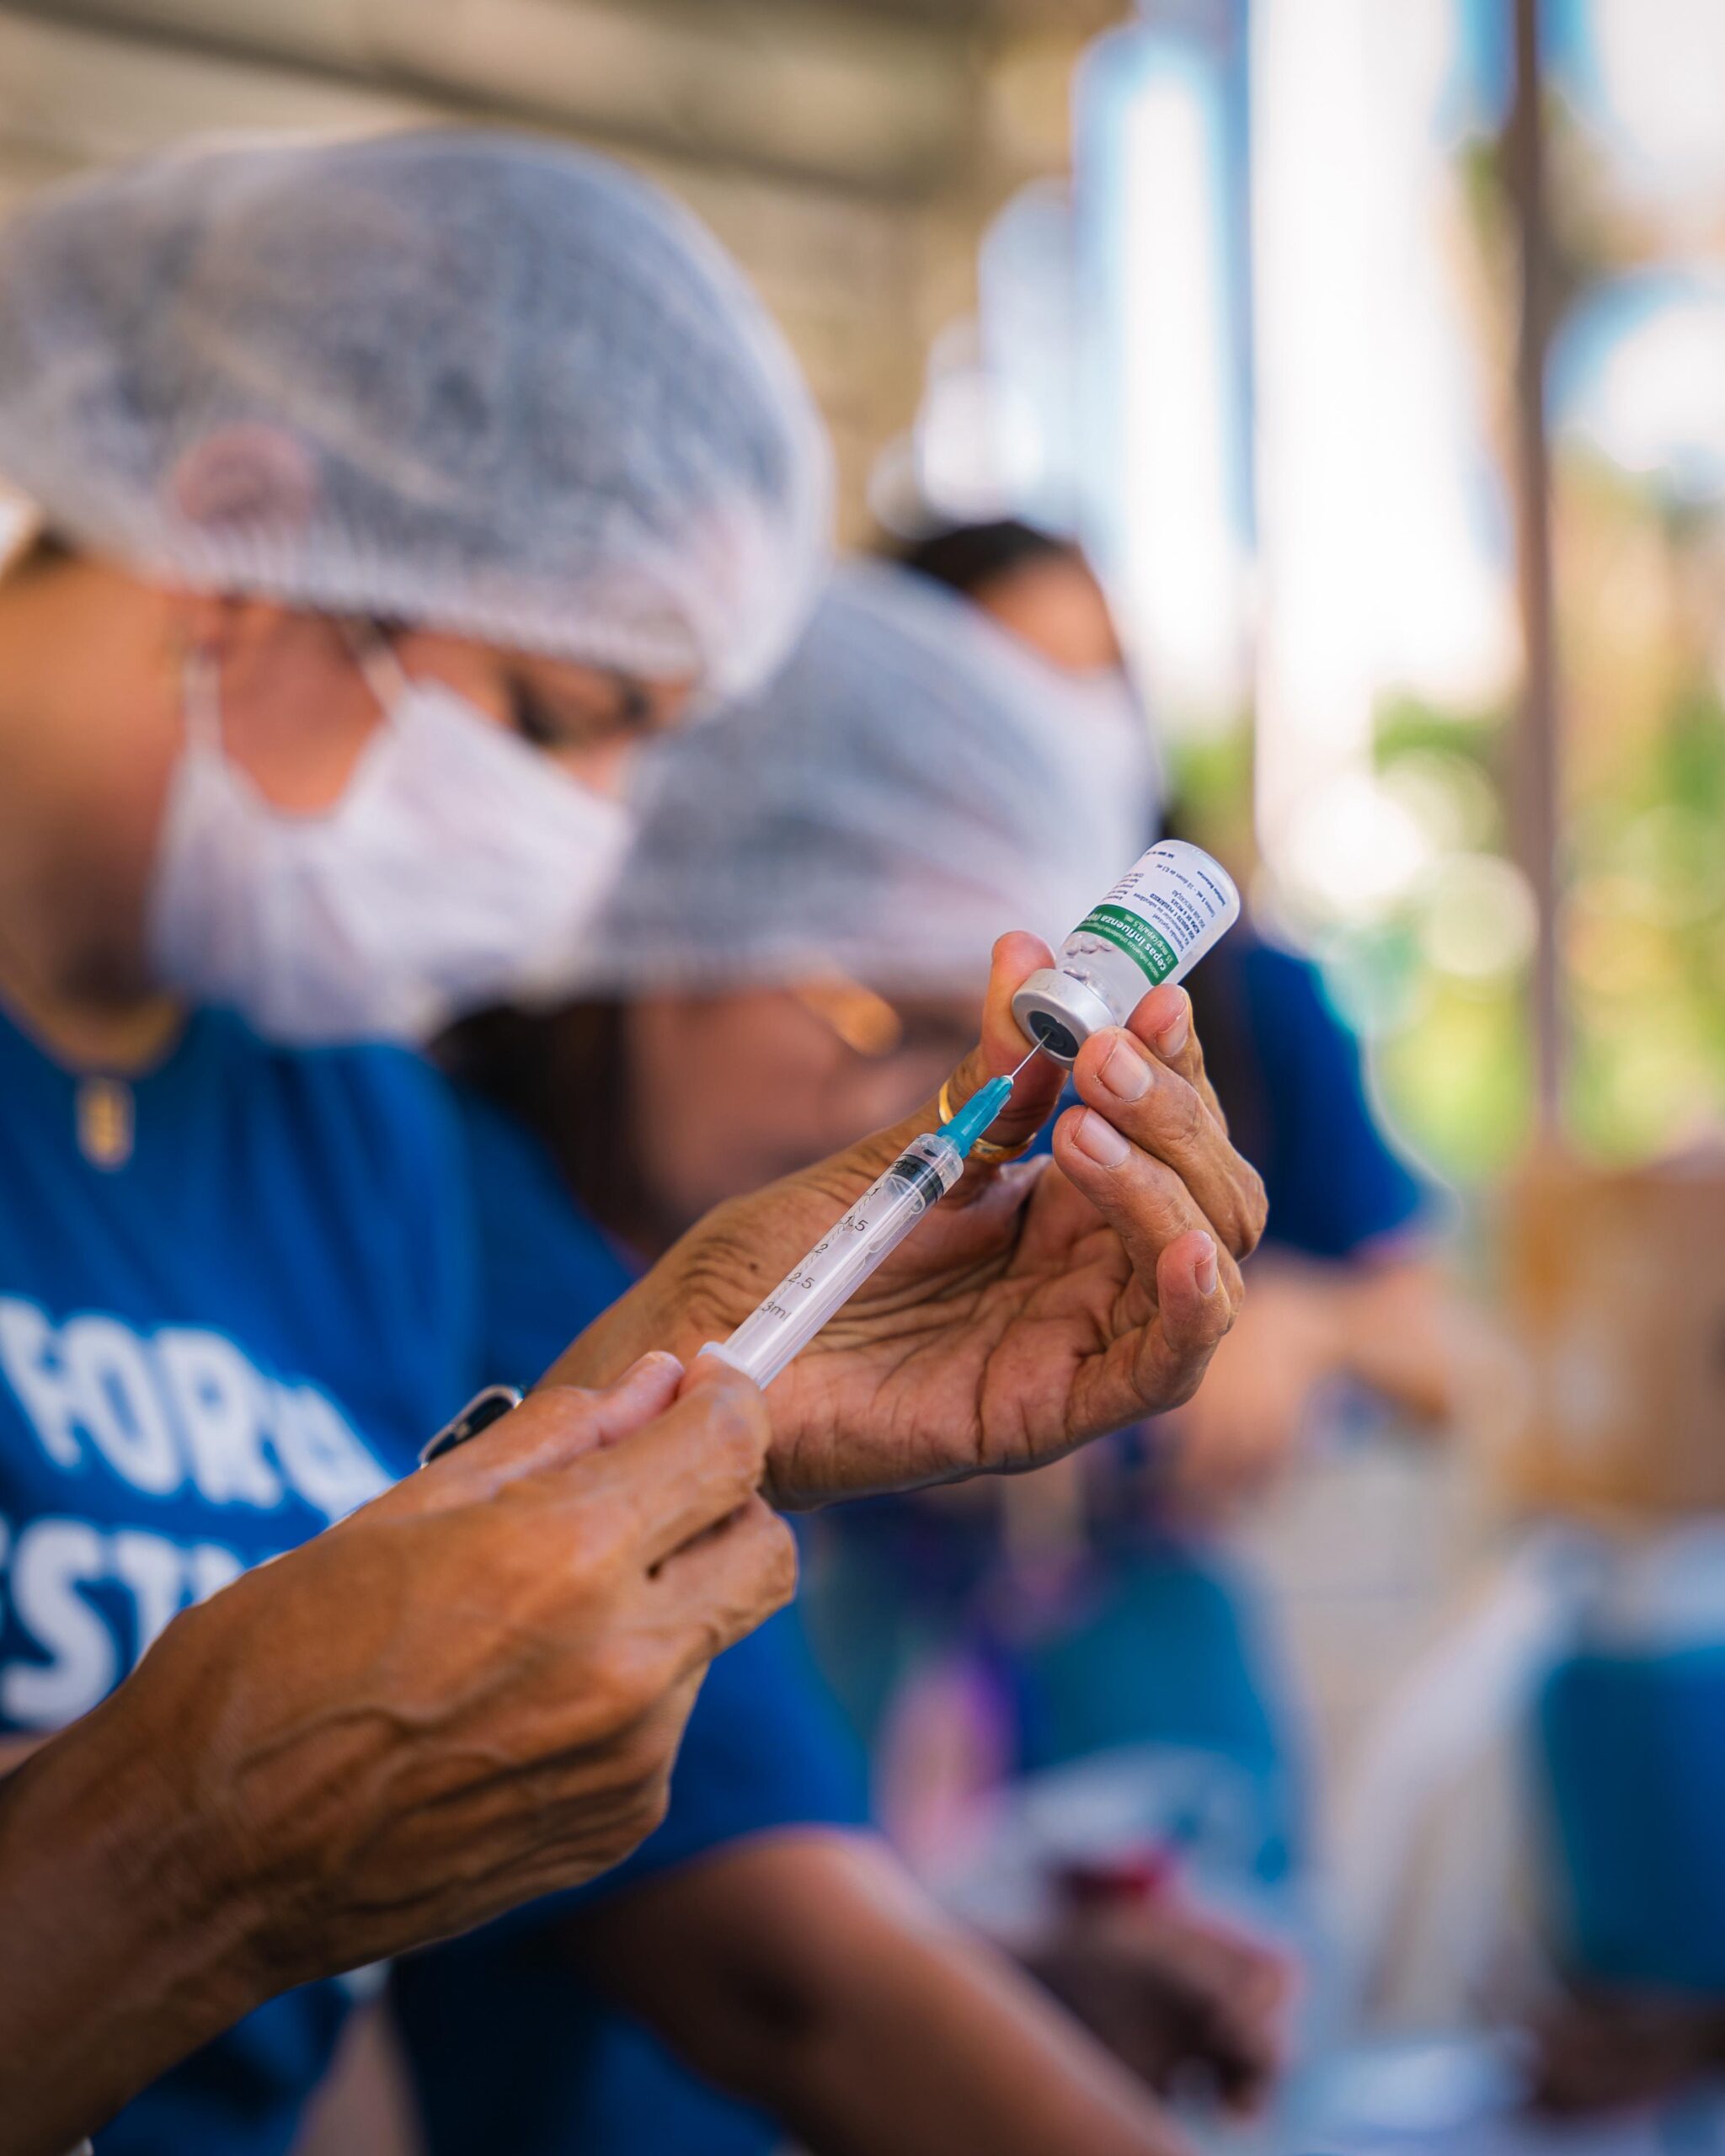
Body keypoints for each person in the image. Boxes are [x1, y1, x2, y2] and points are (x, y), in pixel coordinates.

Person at [0, 139, 1265, 2156]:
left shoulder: (352, 1133)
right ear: (241, 519)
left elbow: (324, 2034)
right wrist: (187, 1838)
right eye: (558, 709)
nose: (600, 833)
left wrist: (703, 1376)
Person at [413, 561, 1290, 2153]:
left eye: (964, 1050)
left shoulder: (638, 1260)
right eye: (869, 1015)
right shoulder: (462, 1232)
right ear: (675, 915)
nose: (927, 1115)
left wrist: (1017, 1974)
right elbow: (787, 1974)